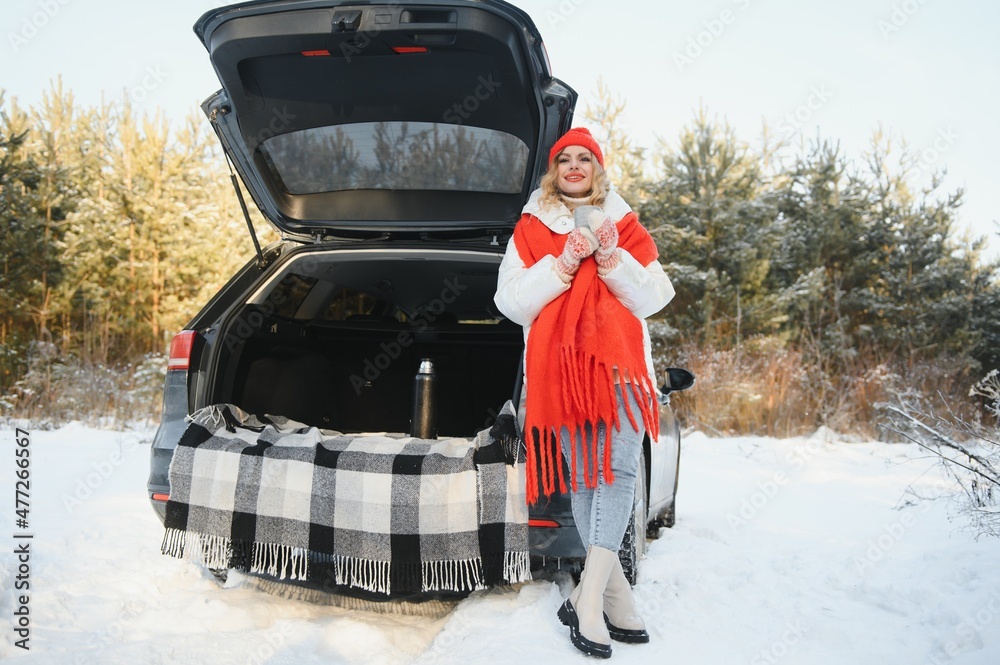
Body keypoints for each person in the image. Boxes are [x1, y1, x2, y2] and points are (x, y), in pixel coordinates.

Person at [494, 127, 675, 658]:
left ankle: (587, 597)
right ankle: (616, 594)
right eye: (565, 159)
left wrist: (614, 260)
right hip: (561, 370)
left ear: (597, 169)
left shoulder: (624, 222)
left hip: (617, 368)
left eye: (585, 159)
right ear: (554, 171)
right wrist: (563, 265)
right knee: (586, 480)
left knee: (617, 472)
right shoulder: (529, 230)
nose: (575, 166)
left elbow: (655, 296)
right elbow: (511, 302)